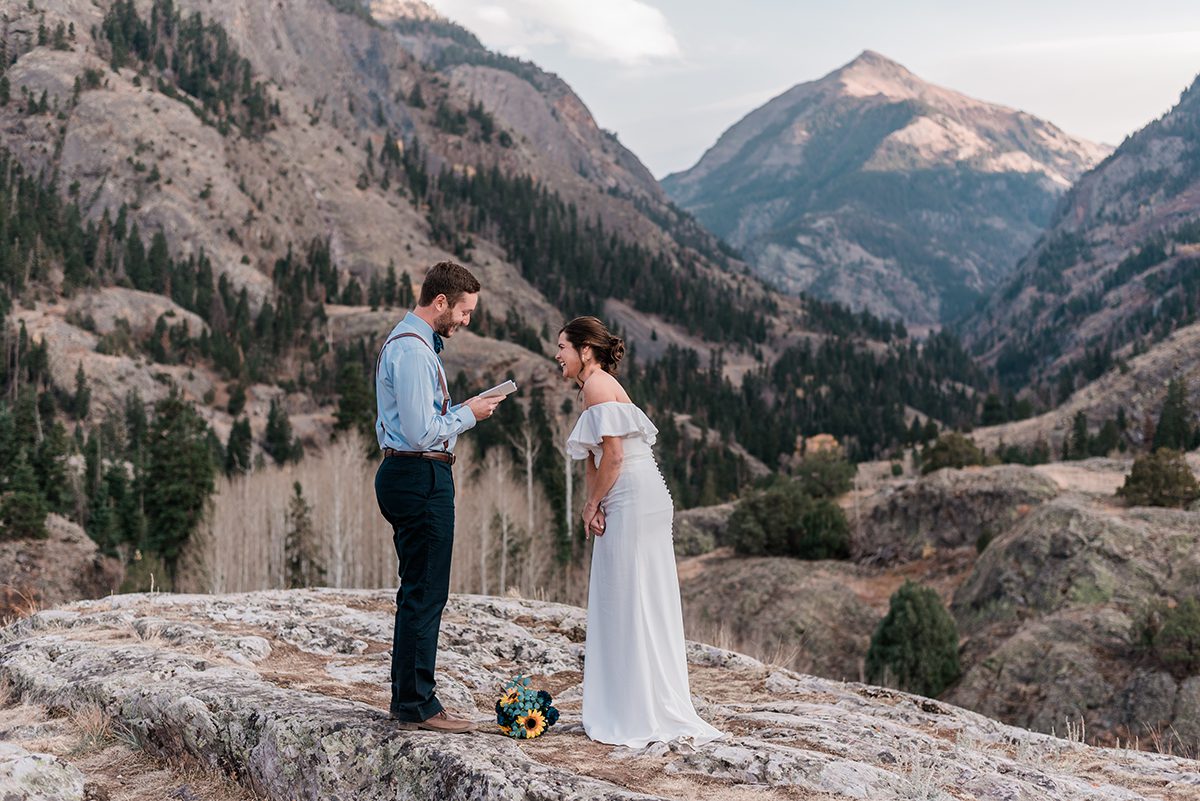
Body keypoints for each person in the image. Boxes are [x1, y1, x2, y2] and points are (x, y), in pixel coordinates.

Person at [558, 316, 724, 748]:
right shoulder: (590, 389)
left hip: (632, 494)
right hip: (627, 493)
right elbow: (594, 458)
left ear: (585, 351)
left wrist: (595, 503)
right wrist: (592, 504)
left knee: (630, 594)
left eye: (562, 346)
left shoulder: (596, 387)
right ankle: (633, 698)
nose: (557, 355)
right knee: (630, 593)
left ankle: (637, 708)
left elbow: (613, 456)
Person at [374, 260, 505, 734]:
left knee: (419, 589)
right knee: (426, 592)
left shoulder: (414, 344)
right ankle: (417, 704)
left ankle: (409, 698)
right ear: (441, 302)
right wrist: (469, 414)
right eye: (465, 312)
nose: (467, 321)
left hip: (411, 474)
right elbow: (420, 431)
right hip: (418, 475)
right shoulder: (411, 352)